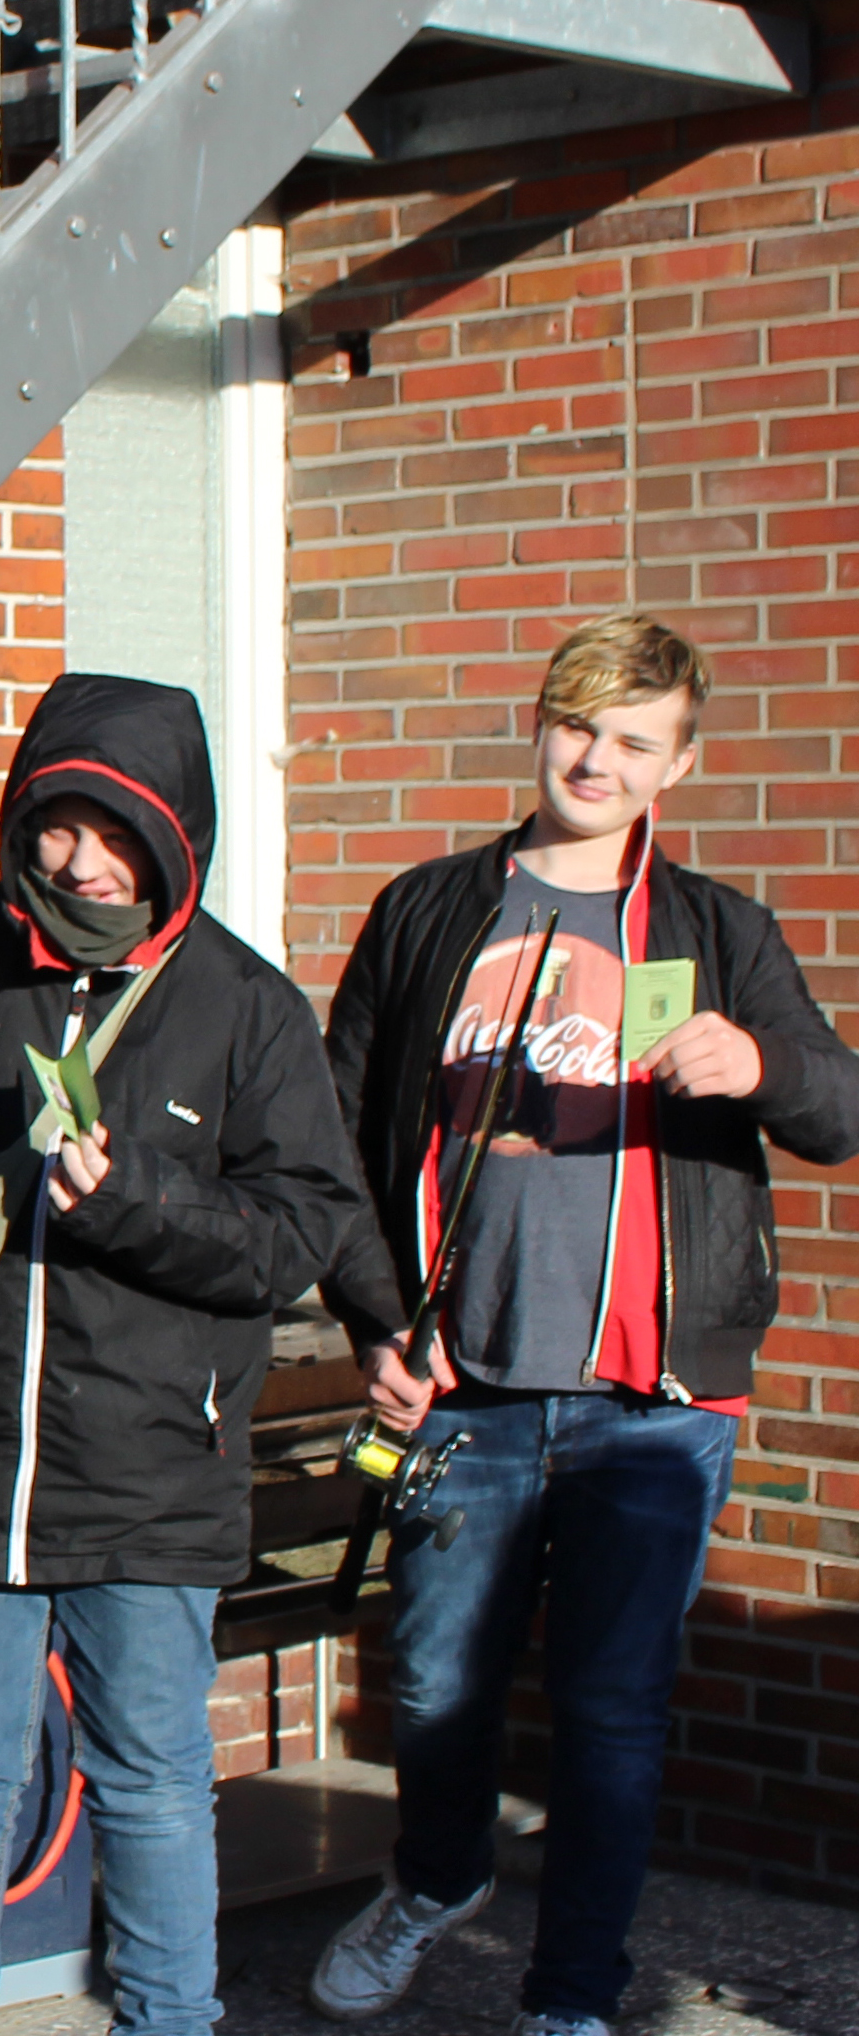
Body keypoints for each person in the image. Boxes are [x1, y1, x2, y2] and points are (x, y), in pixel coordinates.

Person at [0, 673, 360, 2036]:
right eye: (60, 826)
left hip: (153, 1473)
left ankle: (170, 2022)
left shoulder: (246, 1005)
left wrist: (135, 1198)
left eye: (119, 836)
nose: (84, 862)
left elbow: (297, 1234)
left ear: (176, 839)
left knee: (153, 1780)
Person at [304, 614, 859, 2036]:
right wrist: (375, 1321)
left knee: (612, 1715)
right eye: (577, 726)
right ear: (539, 725)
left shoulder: (719, 931)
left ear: (680, 762)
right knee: (437, 1689)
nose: (596, 760)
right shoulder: (430, 911)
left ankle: (572, 1997)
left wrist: (760, 1060)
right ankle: (437, 1881)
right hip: (467, 1391)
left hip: (652, 1409)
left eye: (632, 740)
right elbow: (333, 1143)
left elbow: (839, 1112)